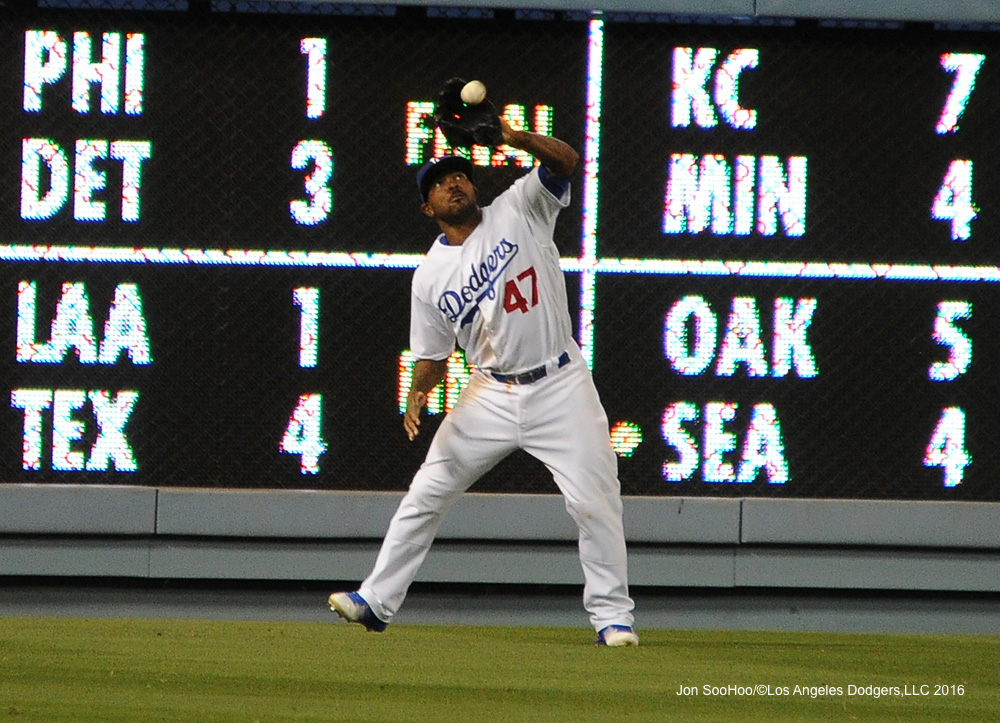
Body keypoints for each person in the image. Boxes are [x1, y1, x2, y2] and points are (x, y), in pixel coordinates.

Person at [329, 117, 638, 646]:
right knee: (428, 489)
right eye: (439, 183)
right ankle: (376, 601)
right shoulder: (429, 276)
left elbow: (566, 162)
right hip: (489, 393)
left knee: (594, 499)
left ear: (474, 186)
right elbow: (431, 352)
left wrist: (514, 138)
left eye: (460, 177)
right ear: (428, 209)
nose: (453, 183)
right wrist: (418, 391)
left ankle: (613, 617)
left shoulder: (521, 206)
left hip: (560, 383)